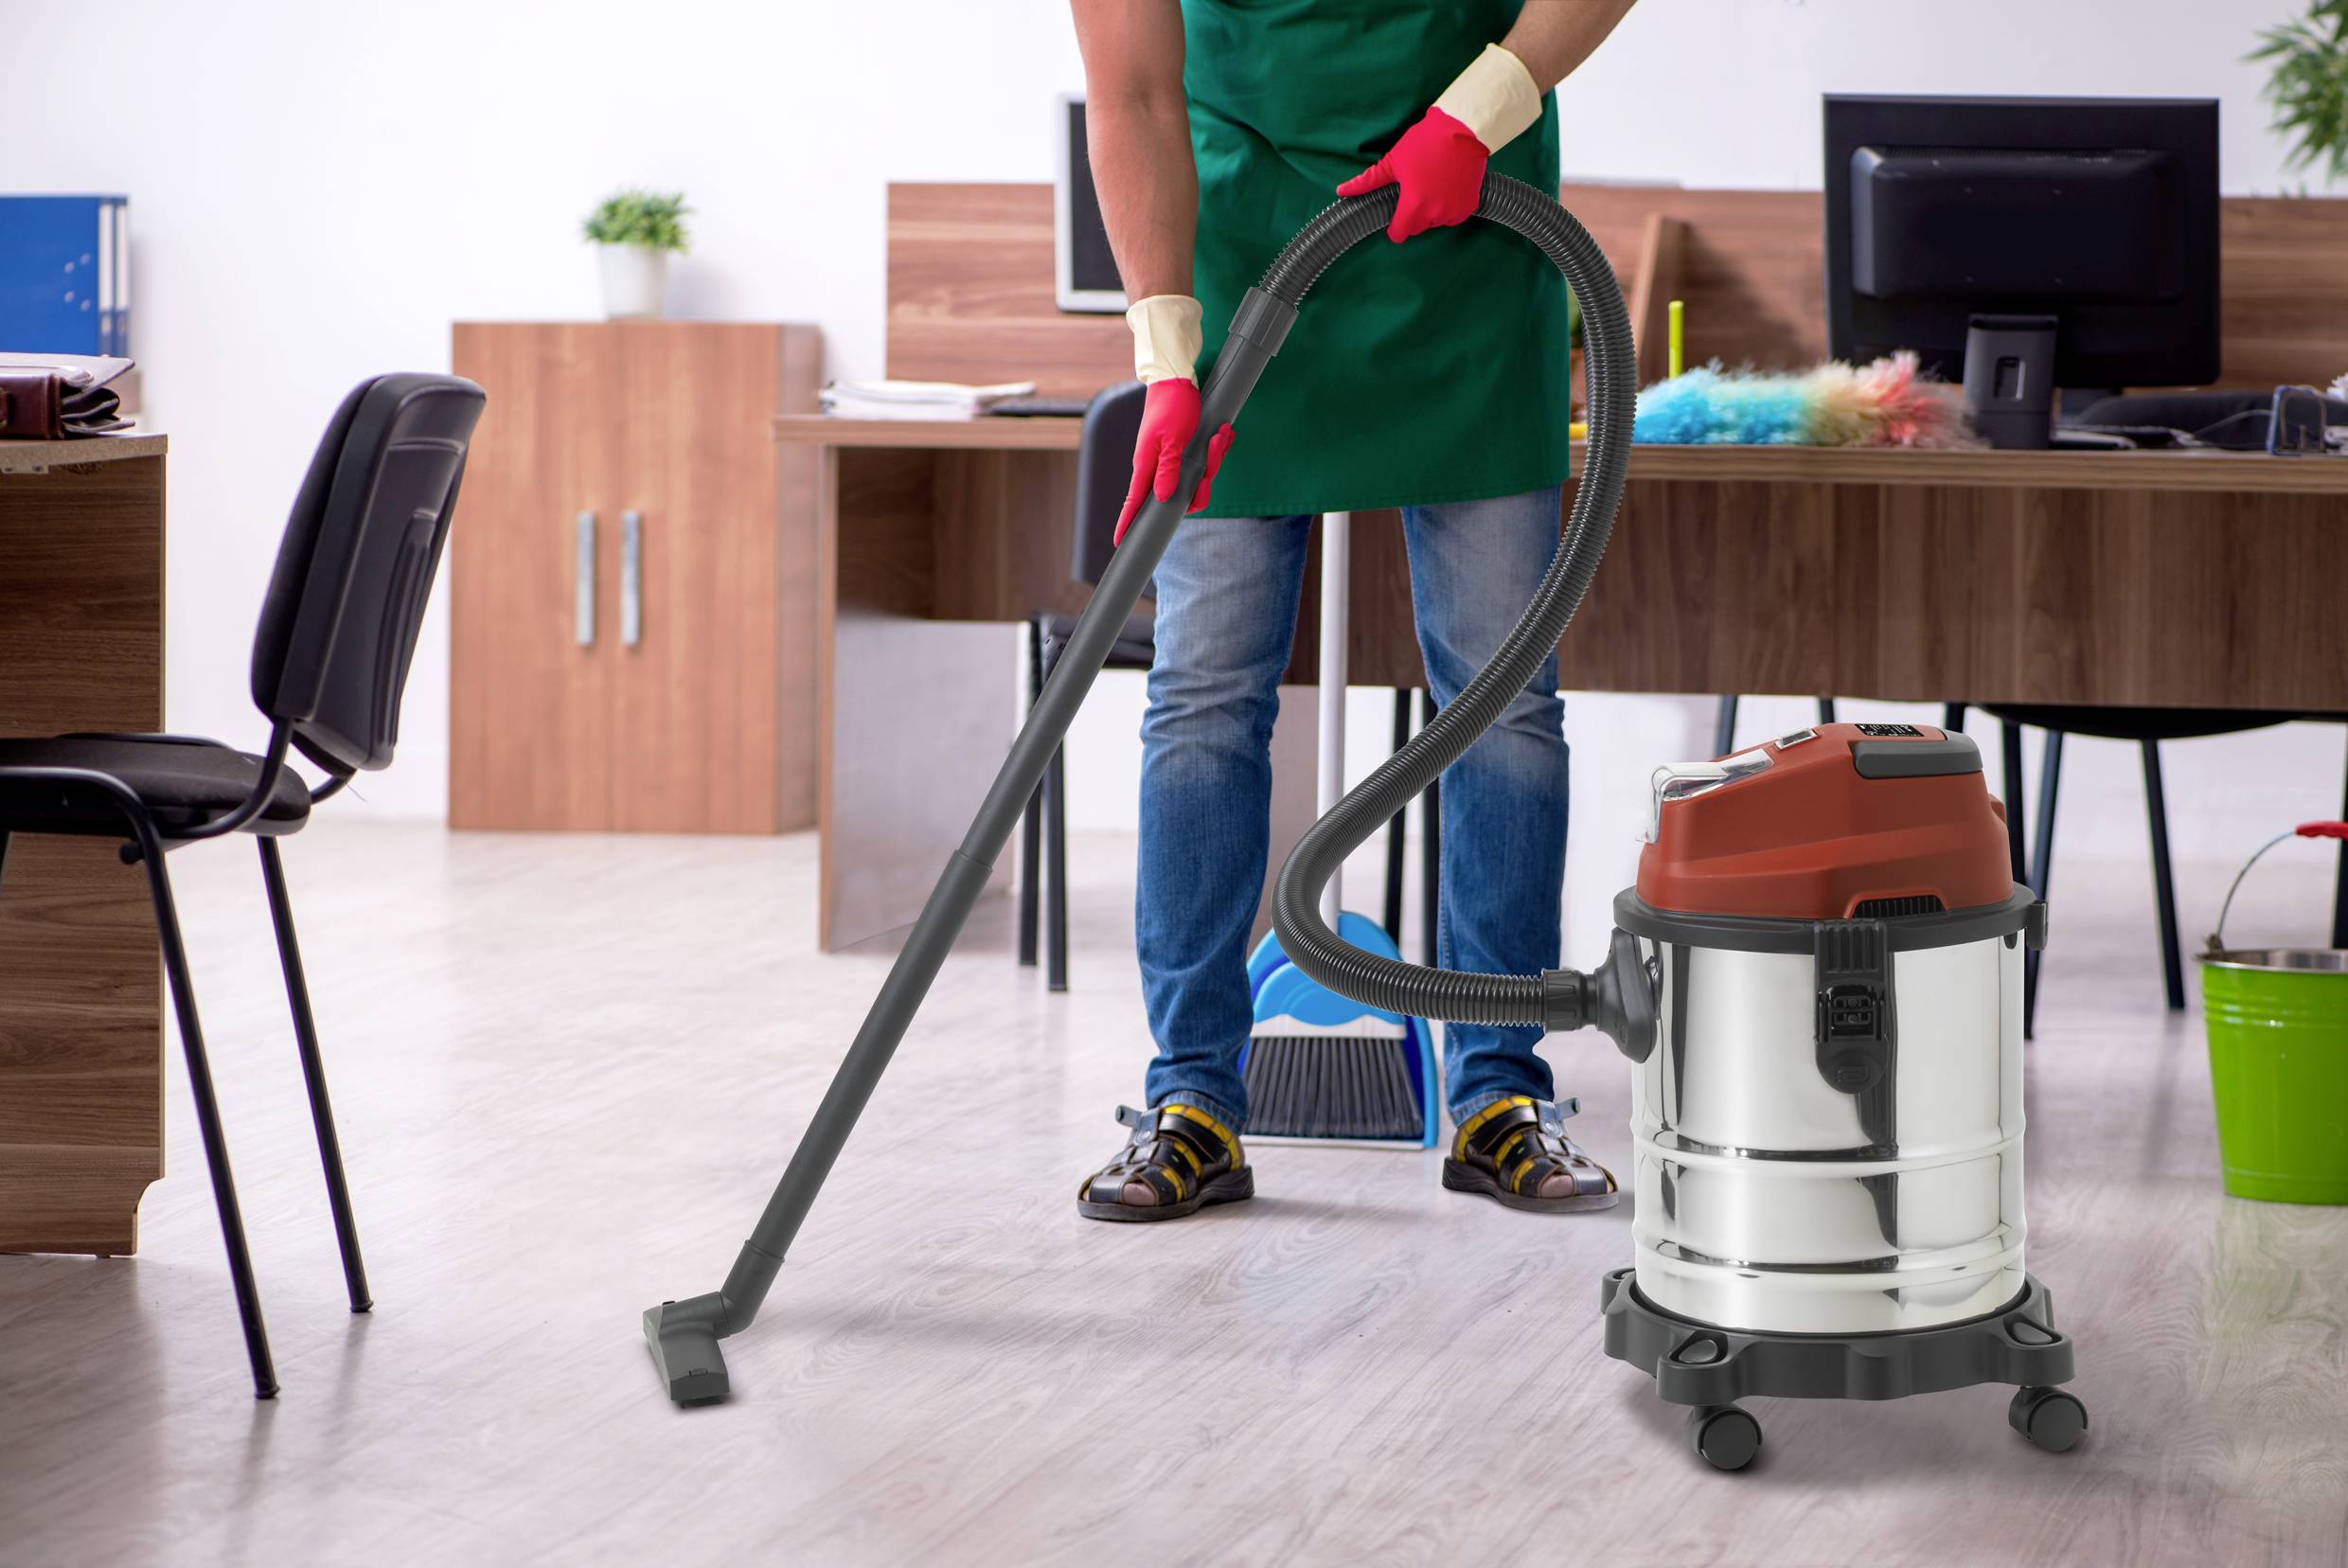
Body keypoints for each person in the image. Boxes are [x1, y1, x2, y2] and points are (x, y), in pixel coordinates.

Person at [1070, 0, 1639, 1222]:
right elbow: (1130, 95)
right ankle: (1193, 1105)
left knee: (1504, 703)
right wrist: (1167, 358)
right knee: (1205, 697)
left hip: (1471, 232)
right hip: (1242, 258)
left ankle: (1497, 1095)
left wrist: (1480, 108)